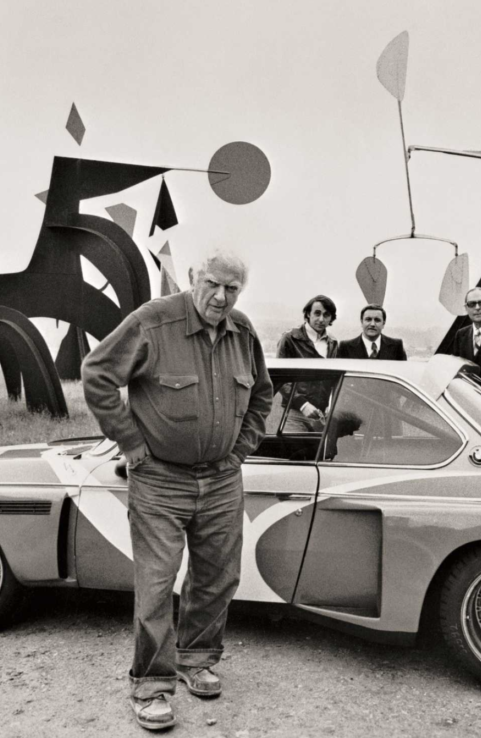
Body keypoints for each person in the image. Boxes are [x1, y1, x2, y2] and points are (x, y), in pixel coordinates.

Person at [82, 250, 273, 731]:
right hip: (160, 480)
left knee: (218, 576)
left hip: (222, 478)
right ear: (192, 278)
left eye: (232, 288)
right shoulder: (153, 321)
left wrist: (239, 451)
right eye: (212, 284)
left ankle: (196, 659)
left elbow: (262, 395)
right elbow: (97, 374)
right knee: (155, 583)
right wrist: (131, 444)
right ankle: (150, 686)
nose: (221, 297)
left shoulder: (243, 331)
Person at [276, 295, 338, 430]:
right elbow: (280, 378)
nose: (321, 319)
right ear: (308, 314)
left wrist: (332, 404)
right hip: (295, 413)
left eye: (326, 315)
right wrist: (302, 404)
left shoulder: (332, 343)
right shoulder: (290, 338)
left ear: (331, 318)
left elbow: (334, 379)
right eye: (317, 313)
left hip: (322, 416)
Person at [336, 304, 408, 360]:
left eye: (377, 320)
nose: (372, 324)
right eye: (368, 319)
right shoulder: (345, 347)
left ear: (383, 324)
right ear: (362, 322)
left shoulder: (396, 346)